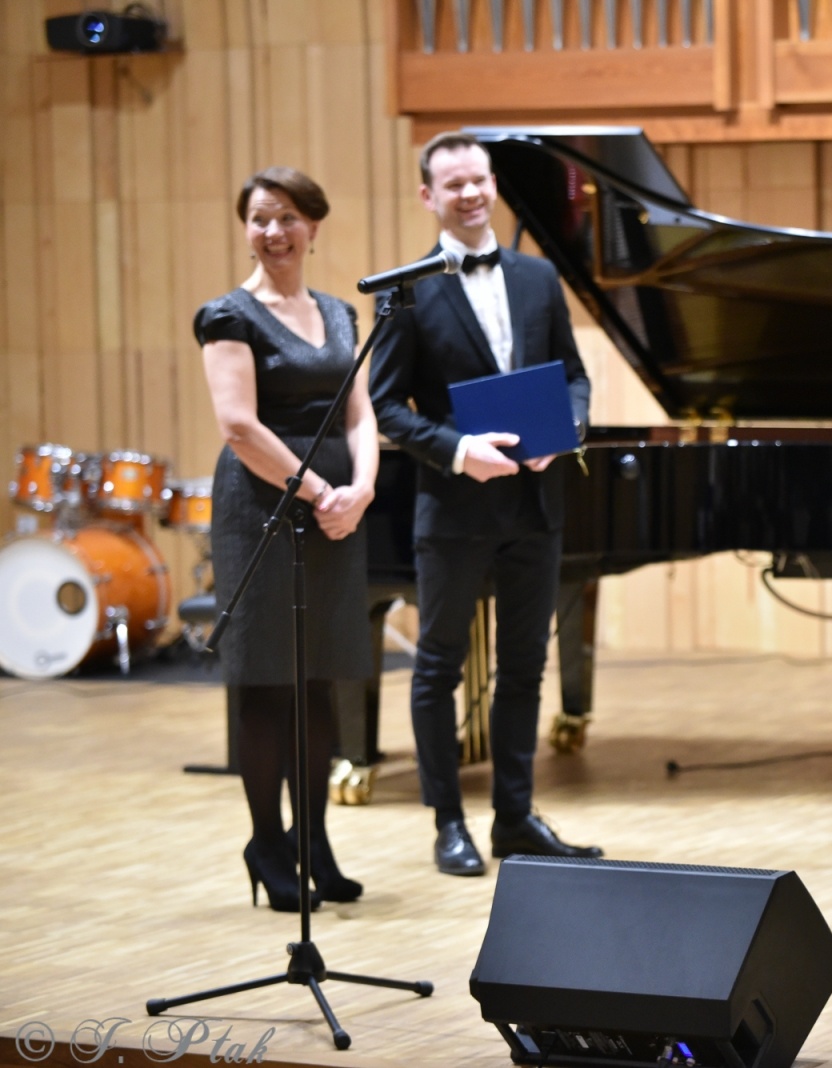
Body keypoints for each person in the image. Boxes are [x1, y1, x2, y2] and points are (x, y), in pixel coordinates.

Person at [369, 131, 598, 876]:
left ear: (492, 185)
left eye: (478, 180)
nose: (469, 194)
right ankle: (448, 824)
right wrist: (457, 451)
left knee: (525, 667)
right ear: (428, 197)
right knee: (437, 668)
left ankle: (515, 817)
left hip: (535, 503)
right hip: (455, 508)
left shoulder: (537, 278)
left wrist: (564, 434)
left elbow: (575, 378)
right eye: (452, 184)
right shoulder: (408, 289)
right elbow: (385, 407)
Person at [197, 167, 377, 912]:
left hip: (338, 506)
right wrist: (315, 490)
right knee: (267, 682)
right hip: (263, 508)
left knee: (320, 679)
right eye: (259, 219)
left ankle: (316, 841)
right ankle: (266, 844)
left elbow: (360, 415)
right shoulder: (228, 315)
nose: (273, 233)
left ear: (313, 226)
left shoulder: (339, 313)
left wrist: (361, 490)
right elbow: (238, 425)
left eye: (287, 218)